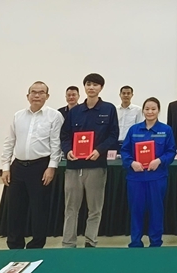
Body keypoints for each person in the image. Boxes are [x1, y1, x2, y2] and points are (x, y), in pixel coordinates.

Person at [1, 81, 63, 250]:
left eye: (41, 92)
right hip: (18, 167)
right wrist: (6, 167)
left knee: (39, 209)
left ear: (47, 96)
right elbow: (9, 141)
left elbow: (56, 143)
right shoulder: (18, 116)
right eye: (33, 92)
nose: (37, 95)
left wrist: (52, 167)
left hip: (41, 167)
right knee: (15, 208)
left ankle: (36, 245)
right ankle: (14, 245)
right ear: (27, 96)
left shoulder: (54, 116)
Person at [60, 73, 119, 248]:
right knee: (71, 208)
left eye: (95, 85)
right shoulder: (75, 111)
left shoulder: (109, 109)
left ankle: (90, 242)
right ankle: (68, 243)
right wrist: (68, 150)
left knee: (95, 209)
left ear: (101, 88)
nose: (91, 87)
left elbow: (113, 135)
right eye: (88, 84)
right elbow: (64, 135)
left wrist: (99, 150)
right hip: (74, 167)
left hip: (96, 166)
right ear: (84, 87)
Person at [121, 97, 176, 248]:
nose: (150, 112)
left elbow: (171, 152)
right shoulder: (134, 130)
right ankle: (136, 242)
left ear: (158, 111)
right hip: (136, 178)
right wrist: (132, 163)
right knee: (136, 210)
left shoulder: (166, 130)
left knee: (156, 211)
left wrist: (159, 160)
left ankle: (156, 243)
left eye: (153, 109)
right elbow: (125, 151)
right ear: (143, 111)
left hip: (157, 178)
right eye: (147, 109)